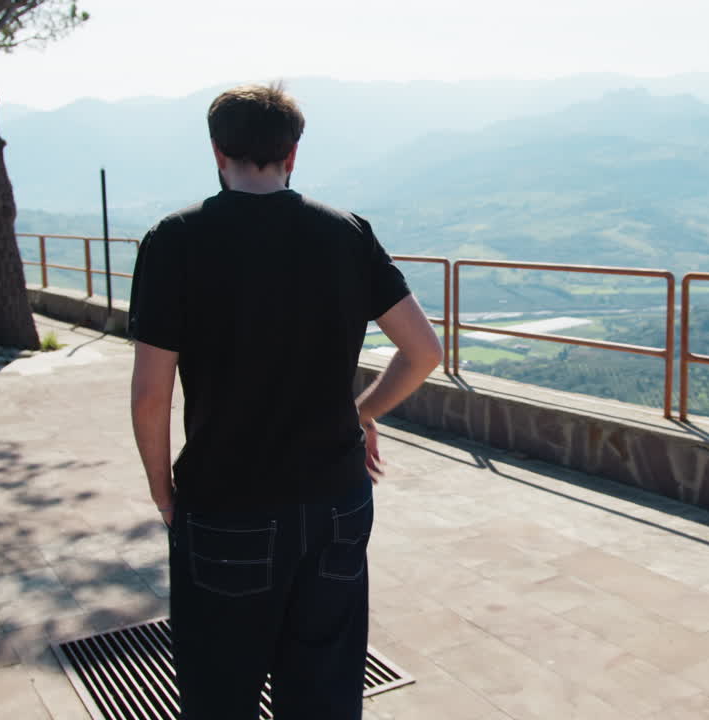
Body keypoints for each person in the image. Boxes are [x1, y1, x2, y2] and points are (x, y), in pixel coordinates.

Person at [128, 82, 442, 720]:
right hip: (337, 500)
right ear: (293, 154)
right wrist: (360, 414)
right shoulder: (346, 233)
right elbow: (424, 353)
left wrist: (163, 490)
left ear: (217, 151)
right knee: (324, 691)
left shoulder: (174, 240)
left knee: (221, 690)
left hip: (225, 505)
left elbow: (150, 393)